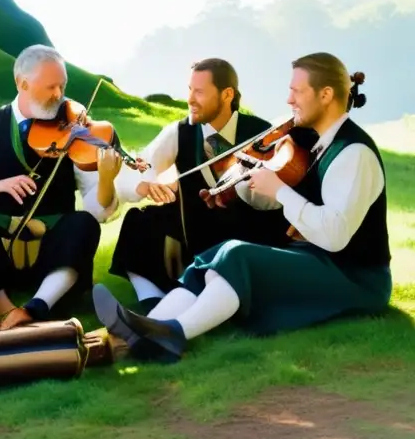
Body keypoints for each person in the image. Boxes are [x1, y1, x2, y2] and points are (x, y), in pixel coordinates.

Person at [93, 52, 391, 362]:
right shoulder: (315, 142)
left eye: (296, 91)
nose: (289, 100)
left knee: (238, 254)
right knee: (215, 255)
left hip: (355, 277)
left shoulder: (353, 153)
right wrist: (250, 185)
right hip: (316, 258)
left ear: (326, 94)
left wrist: (280, 190)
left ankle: (172, 334)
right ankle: (148, 327)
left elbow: (335, 236)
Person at [0, 45, 123, 330]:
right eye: (50, 87)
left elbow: (98, 208)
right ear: (22, 83)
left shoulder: (75, 129)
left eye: (62, 85)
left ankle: (36, 307)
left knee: (84, 224)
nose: (59, 95)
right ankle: (3, 310)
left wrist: (105, 180)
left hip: (52, 254)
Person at [108, 58, 296, 312]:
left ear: (227, 94)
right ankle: (150, 301)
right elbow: (137, 173)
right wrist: (143, 186)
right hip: (196, 237)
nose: (190, 100)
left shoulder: (263, 134)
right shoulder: (179, 132)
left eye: (199, 92)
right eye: (189, 90)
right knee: (139, 221)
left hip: (249, 238)